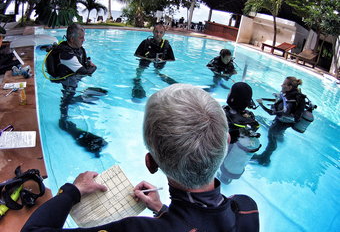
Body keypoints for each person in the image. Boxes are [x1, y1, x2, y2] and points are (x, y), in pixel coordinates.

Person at [22, 84, 259, 232]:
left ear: (150, 163)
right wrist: (161, 210)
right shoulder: (246, 209)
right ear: (226, 142)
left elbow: (34, 230)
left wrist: (73, 191)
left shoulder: (135, 228)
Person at [47, 23, 107, 153]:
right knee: (67, 95)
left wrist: (88, 66)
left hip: (73, 77)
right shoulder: (66, 54)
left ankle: (72, 100)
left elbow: (83, 66)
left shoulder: (77, 48)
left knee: (70, 94)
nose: (83, 39)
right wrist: (93, 67)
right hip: (68, 80)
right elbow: (85, 71)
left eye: (83, 37)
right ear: (71, 38)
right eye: (81, 37)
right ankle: (63, 120)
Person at [251, 77, 306, 166]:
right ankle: (269, 152)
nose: (281, 85)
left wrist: (261, 104)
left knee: (271, 136)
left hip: (283, 122)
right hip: (286, 121)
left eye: (284, 84)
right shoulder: (294, 94)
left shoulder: (291, 99)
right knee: (274, 134)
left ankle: (265, 158)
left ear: (290, 87)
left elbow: (272, 113)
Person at [218, 82, 261, 184]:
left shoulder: (223, 113)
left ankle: (223, 177)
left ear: (232, 97)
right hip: (236, 151)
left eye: (230, 92)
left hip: (223, 150)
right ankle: (227, 178)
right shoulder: (250, 117)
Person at [132, 23, 176, 99]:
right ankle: (137, 79)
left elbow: (172, 59)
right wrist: (149, 59)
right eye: (156, 31)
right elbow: (136, 54)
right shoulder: (146, 42)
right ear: (153, 32)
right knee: (141, 67)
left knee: (159, 68)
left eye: (161, 32)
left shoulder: (166, 45)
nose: (158, 34)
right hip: (146, 59)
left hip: (159, 61)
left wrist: (162, 60)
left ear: (163, 34)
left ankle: (159, 74)